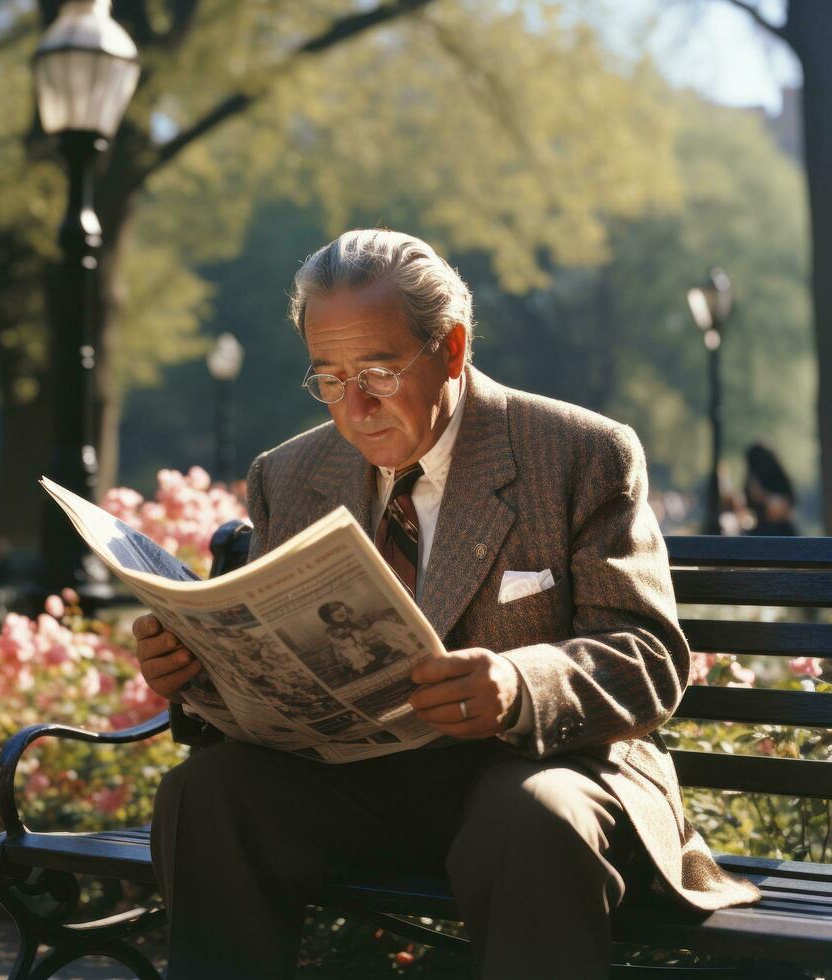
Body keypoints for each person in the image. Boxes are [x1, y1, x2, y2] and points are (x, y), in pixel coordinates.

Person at [134, 230, 759, 979]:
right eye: (327, 378)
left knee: (529, 816)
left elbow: (647, 659)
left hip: (537, 770)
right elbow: (274, 672)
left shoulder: (580, 452)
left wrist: (518, 684)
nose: (354, 407)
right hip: (362, 784)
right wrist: (195, 674)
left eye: (377, 371)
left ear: (453, 347)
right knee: (207, 793)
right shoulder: (290, 474)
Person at [743, 442, 798, 536]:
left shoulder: (777, 480)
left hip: (781, 532)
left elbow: (780, 508)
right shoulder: (753, 478)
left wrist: (763, 497)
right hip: (761, 531)